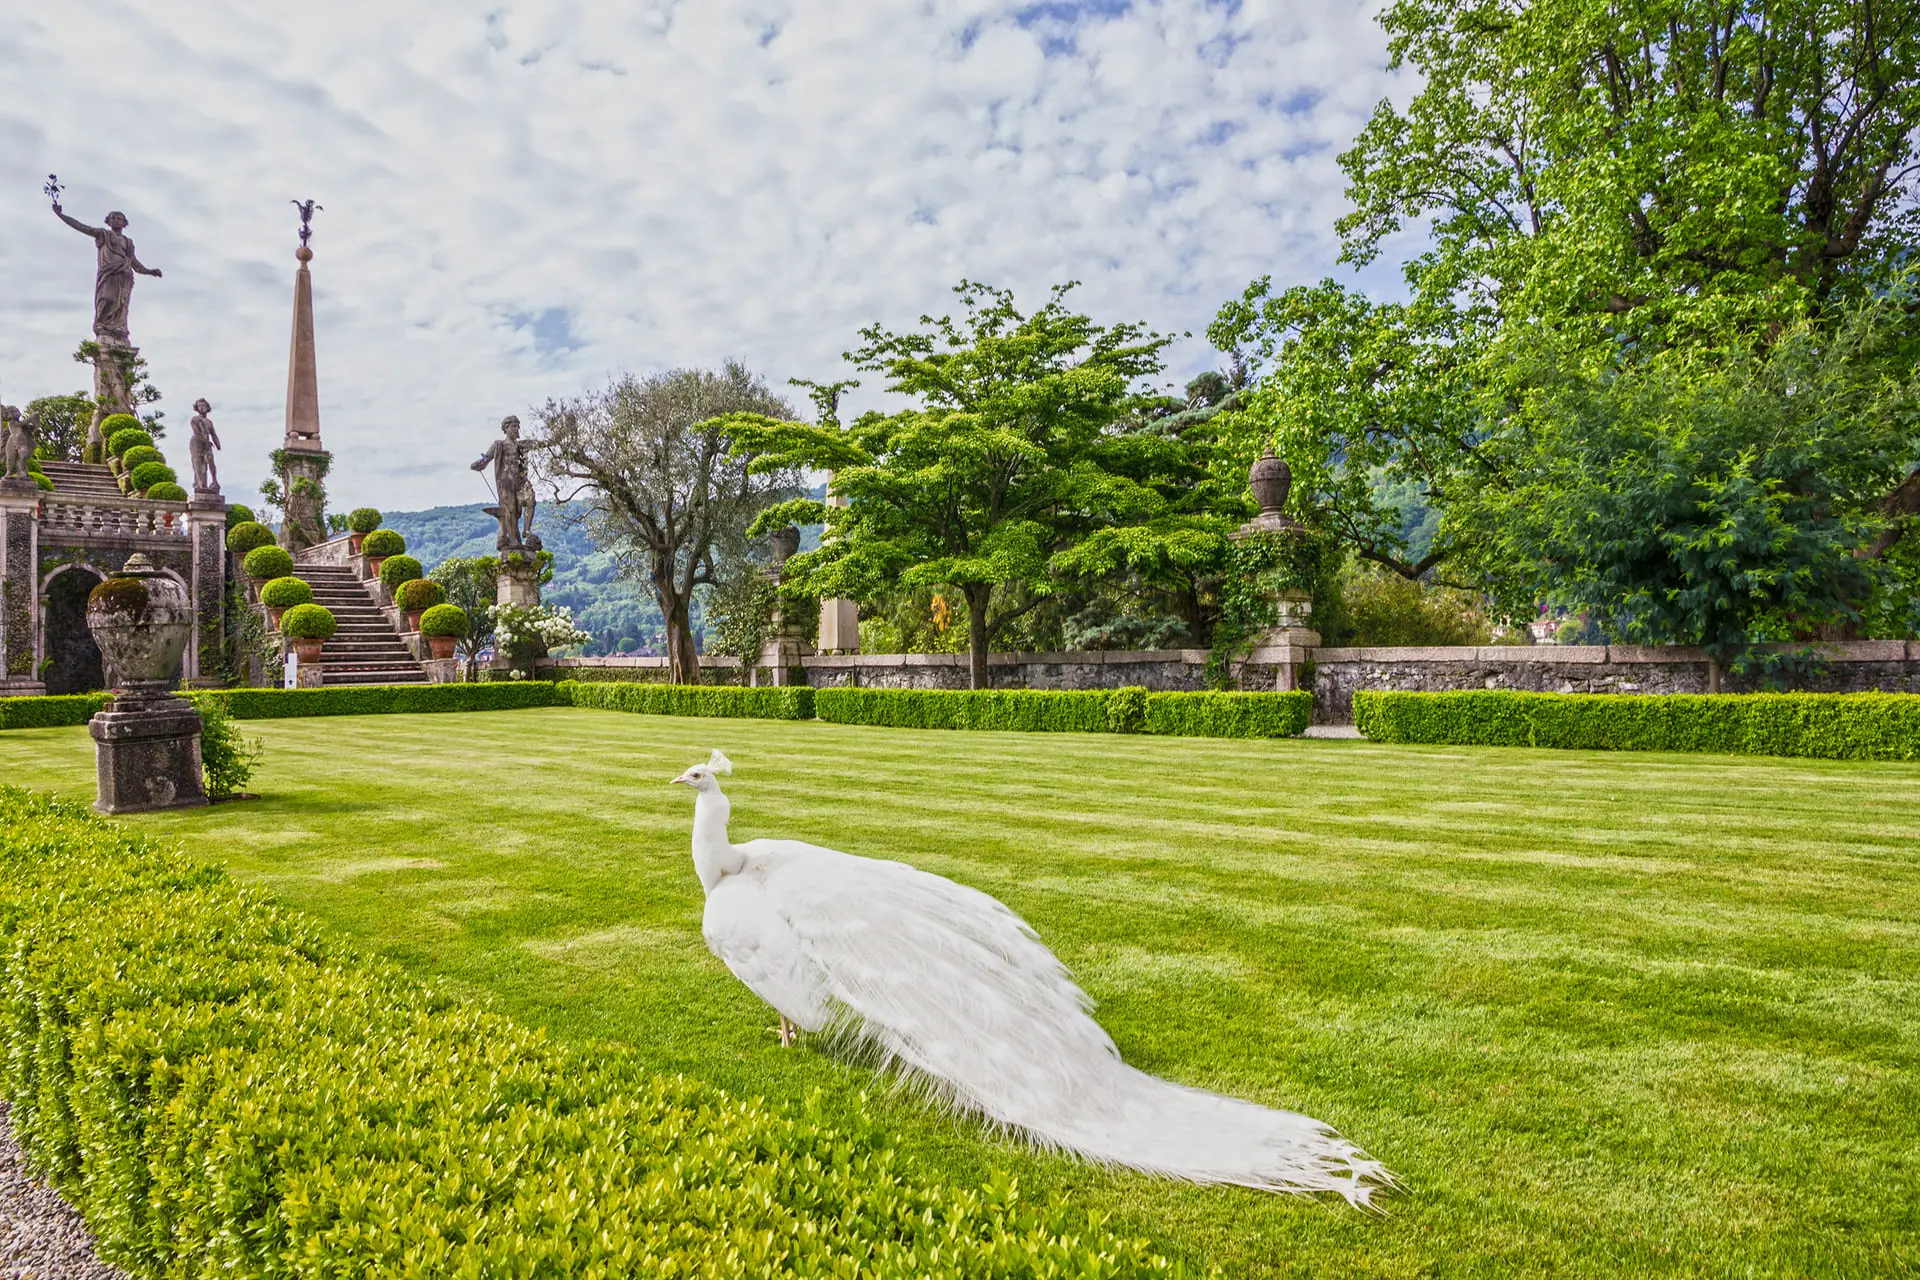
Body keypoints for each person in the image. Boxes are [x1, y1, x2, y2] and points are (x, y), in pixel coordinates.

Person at [53, 204, 162, 343]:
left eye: (119, 218)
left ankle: (118, 329)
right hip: (109, 273)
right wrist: (61, 215)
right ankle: (102, 324)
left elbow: (134, 262)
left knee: (121, 304)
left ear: (124, 223)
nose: (116, 220)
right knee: (107, 298)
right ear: (108, 221)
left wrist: (149, 271)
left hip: (124, 275)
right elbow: (81, 227)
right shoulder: (103, 234)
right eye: (113, 218)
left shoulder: (128, 242)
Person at [188, 399, 221, 493]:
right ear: (197, 408)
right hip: (196, 442)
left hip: (207, 442)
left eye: (204, 405)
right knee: (198, 463)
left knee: (210, 460)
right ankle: (200, 483)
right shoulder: (195, 419)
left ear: (207, 407)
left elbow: (213, 434)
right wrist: (206, 441)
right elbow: (196, 432)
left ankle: (214, 481)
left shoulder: (209, 422)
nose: (202, 407)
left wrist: (217, 443)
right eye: (200, 406)